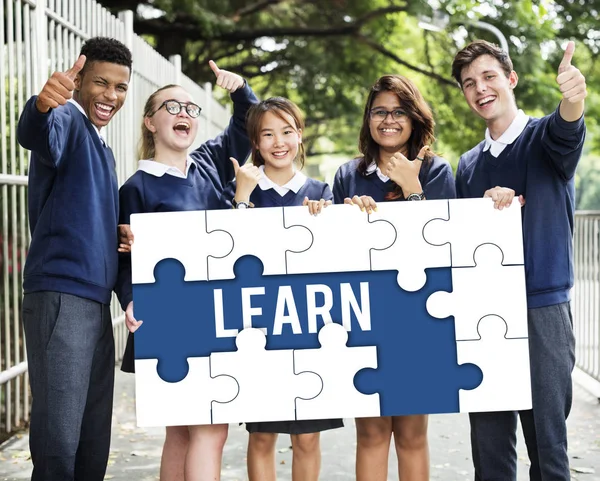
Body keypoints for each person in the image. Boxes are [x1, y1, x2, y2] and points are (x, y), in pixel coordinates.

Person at [115, 62, 258, 481]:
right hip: (170, 321)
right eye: (171, 106)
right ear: (150, 121)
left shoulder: (210, 163)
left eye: (191, 109)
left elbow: (244, 124)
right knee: (202, 432)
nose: (184, 114)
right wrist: (129, 298)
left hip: (216, 313)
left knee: (187, 433)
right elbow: (125, 258)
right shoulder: (135, 189)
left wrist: (240, 90)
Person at [451, 40, 586, 480]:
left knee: (547, 445)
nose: (480, 89)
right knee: (488, 446)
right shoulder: (467, 166)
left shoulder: (545, 138)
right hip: (483, 311)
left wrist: (574, 97)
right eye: (469, 83)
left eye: (489, 76)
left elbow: (569, 126)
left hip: (541, 307)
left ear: (511, 79)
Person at [16, 37, 132, 481]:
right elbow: (36, 133)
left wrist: (116, 231)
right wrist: (42, 106)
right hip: (61, 295)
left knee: (90, 437)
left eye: (120, 87)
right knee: (59, 439)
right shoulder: (65, 117)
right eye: (101, 83)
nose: (111, 96)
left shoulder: (102, 146)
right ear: (78, 80)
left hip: (94, 301)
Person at [332, 74, 456, 481]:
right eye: (379, 111)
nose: (388, 120)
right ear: (368, 119)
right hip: (365, 315)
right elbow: (330, 253)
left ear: (414, 118)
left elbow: (442, 244)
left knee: (412, 433)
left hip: (419, 317)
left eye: (398, 111)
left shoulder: (436, 170)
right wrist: (349, 216)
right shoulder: (348, 175)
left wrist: (412, 189)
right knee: (369, 433)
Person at [230, 97, 342, 481]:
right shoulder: (242, 189)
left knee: (308, 438)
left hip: (310, 328)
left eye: (287, 132)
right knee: (262, 436)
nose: (279, 142)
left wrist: (325, 220)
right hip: (258, 327)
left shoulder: (321, 192)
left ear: (299, 135)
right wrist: (241, 200)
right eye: (268, 134)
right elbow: (230, 255)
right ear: (255, 143)